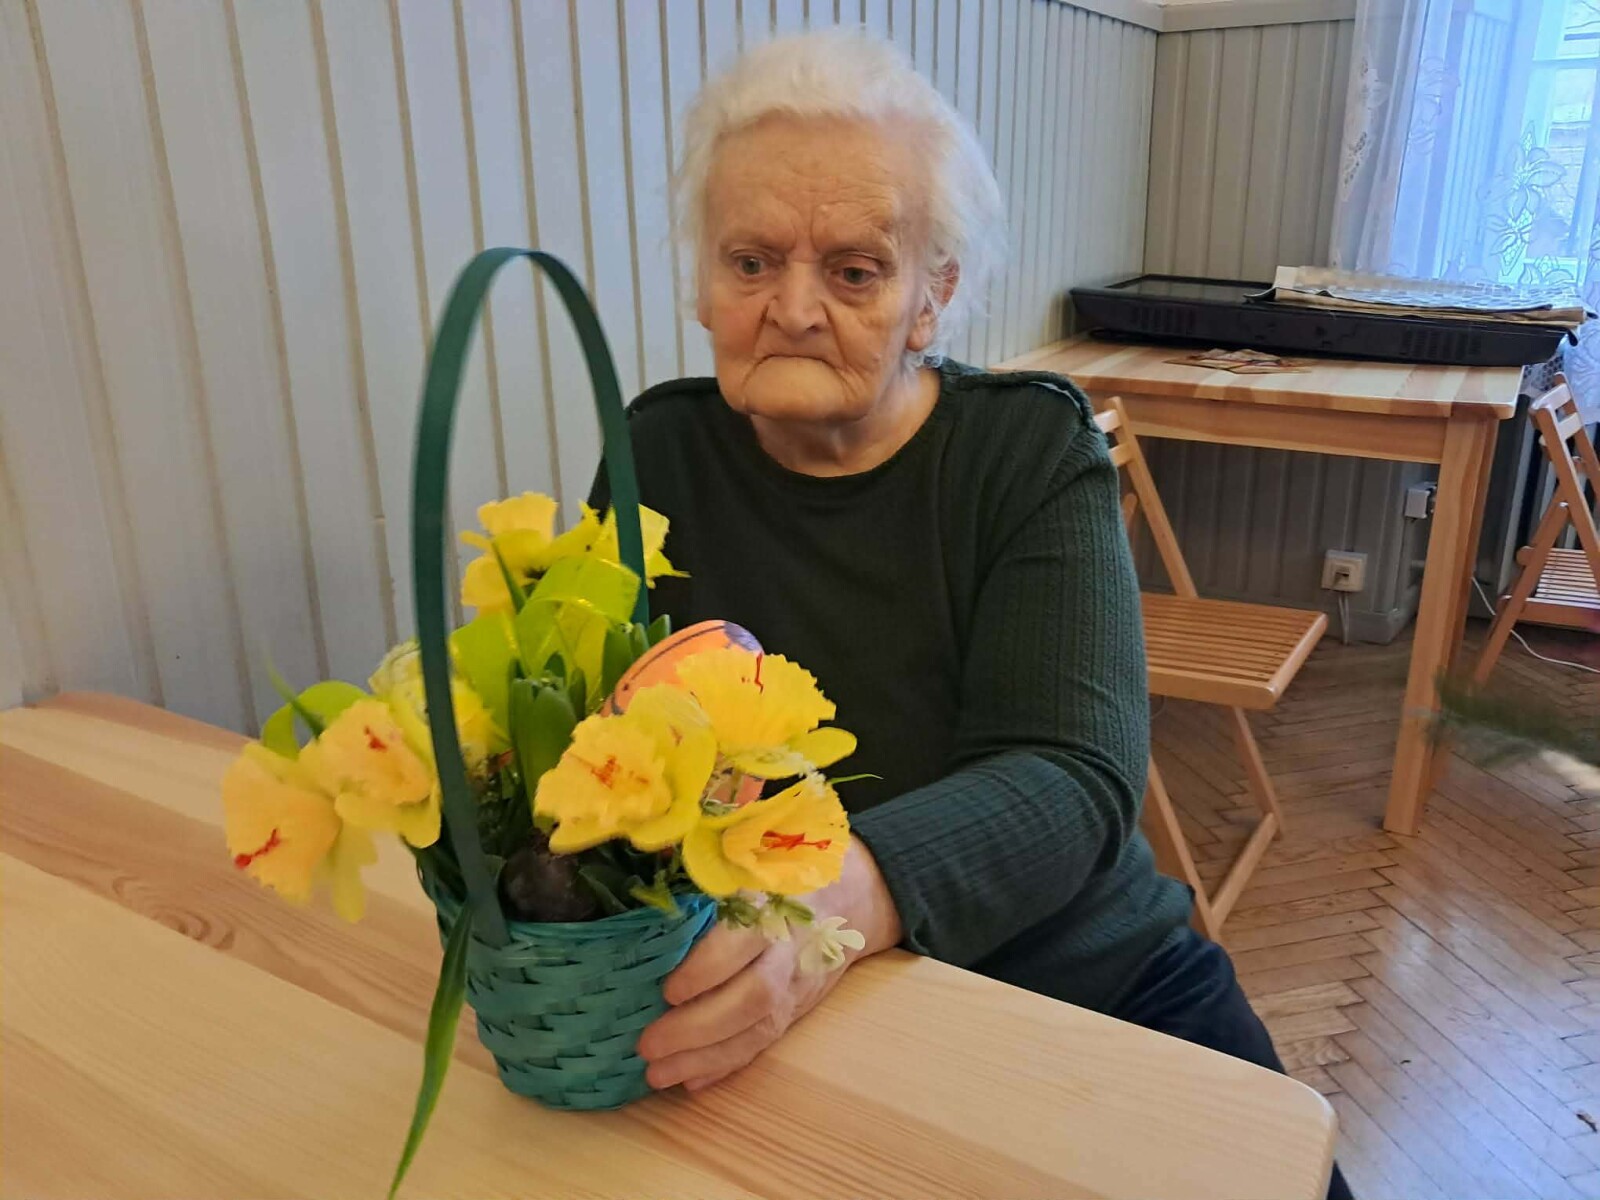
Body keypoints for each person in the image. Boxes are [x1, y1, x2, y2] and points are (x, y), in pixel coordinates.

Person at [612, 29, 1352, 1200]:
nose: (792, 308)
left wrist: (829, 909)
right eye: (750, 261)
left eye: (854, 270)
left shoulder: (1026, 450)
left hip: (1080, 976)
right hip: (787, 996)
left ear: (933, 296)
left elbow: (1072, 774)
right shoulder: (654, 452)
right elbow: (602, 739)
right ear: (703, 282)